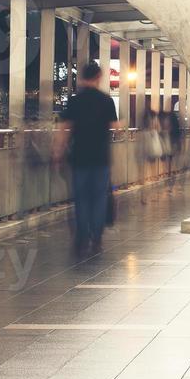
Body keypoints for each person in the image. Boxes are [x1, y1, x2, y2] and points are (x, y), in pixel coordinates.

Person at [62, 61, 117, 257]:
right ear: (98, 77)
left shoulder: (74, 101)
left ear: (82, 77)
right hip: (101, 158)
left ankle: (82, 237)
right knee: (98, 199)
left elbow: (64, 129)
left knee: (81, 199)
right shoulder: (106, 101)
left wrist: (57, 152)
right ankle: (97, 237)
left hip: (79, 158)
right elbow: (114, 127)